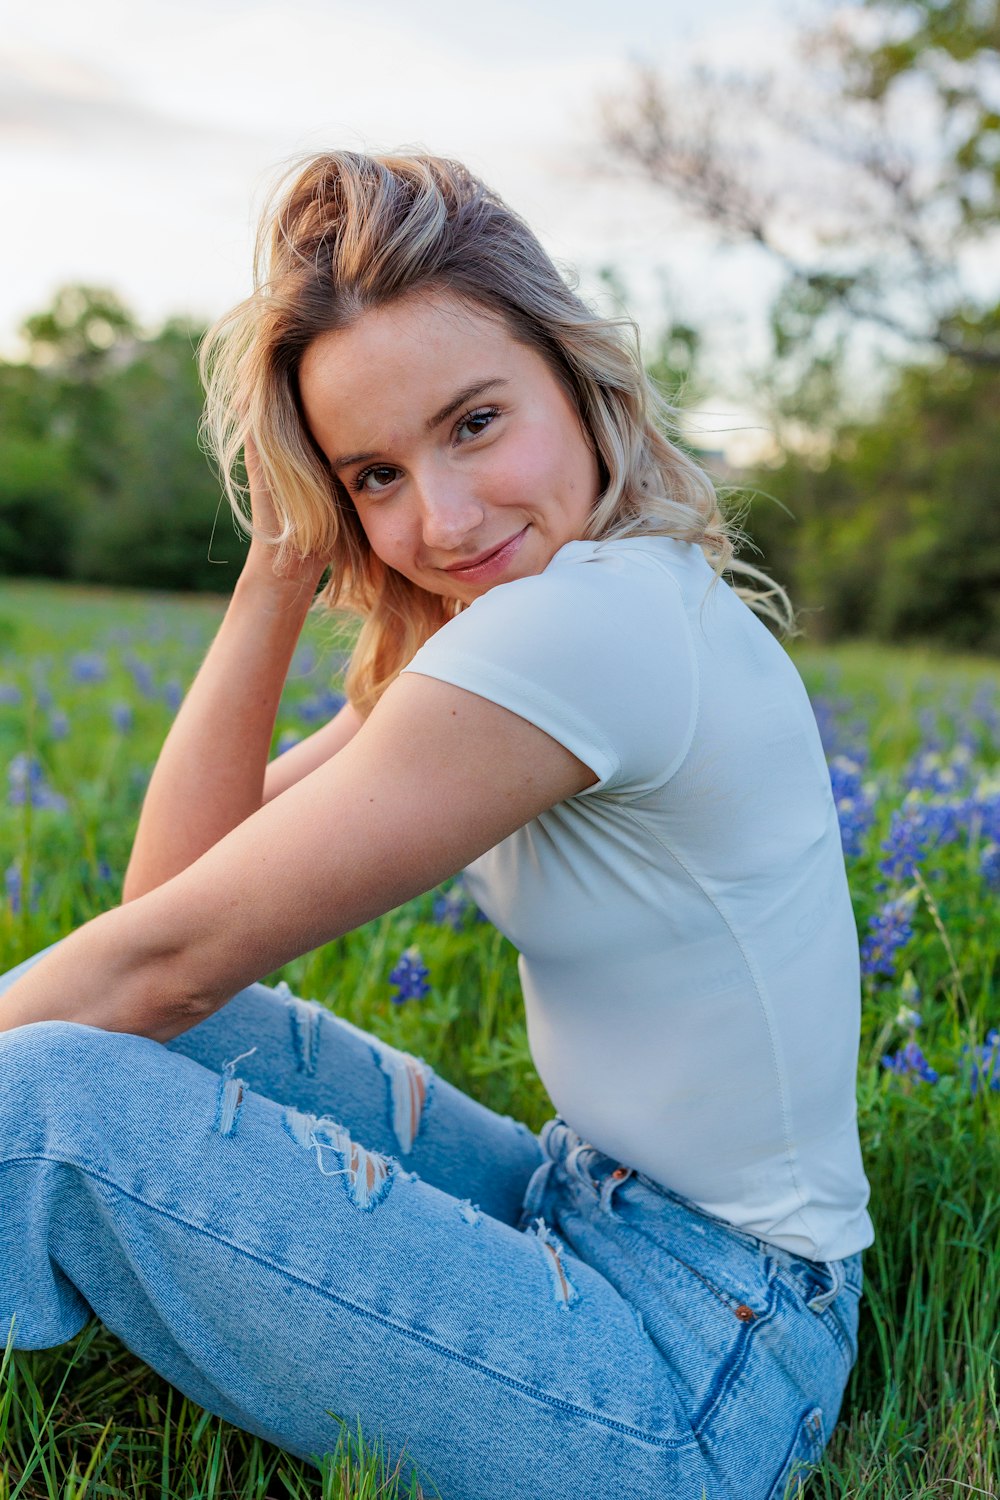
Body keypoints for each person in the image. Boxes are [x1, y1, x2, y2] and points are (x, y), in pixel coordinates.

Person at [0, 150, 874, 1500]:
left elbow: (156, 954)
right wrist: (282, 559)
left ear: (572, 378)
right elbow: (175, 908)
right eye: (374, 475)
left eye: (474, 422)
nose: (444, 519)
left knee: (49, 1098)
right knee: (134, 1035)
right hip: (591, 1212)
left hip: (705, 1374)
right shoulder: (527, 628)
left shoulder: (591, 630)